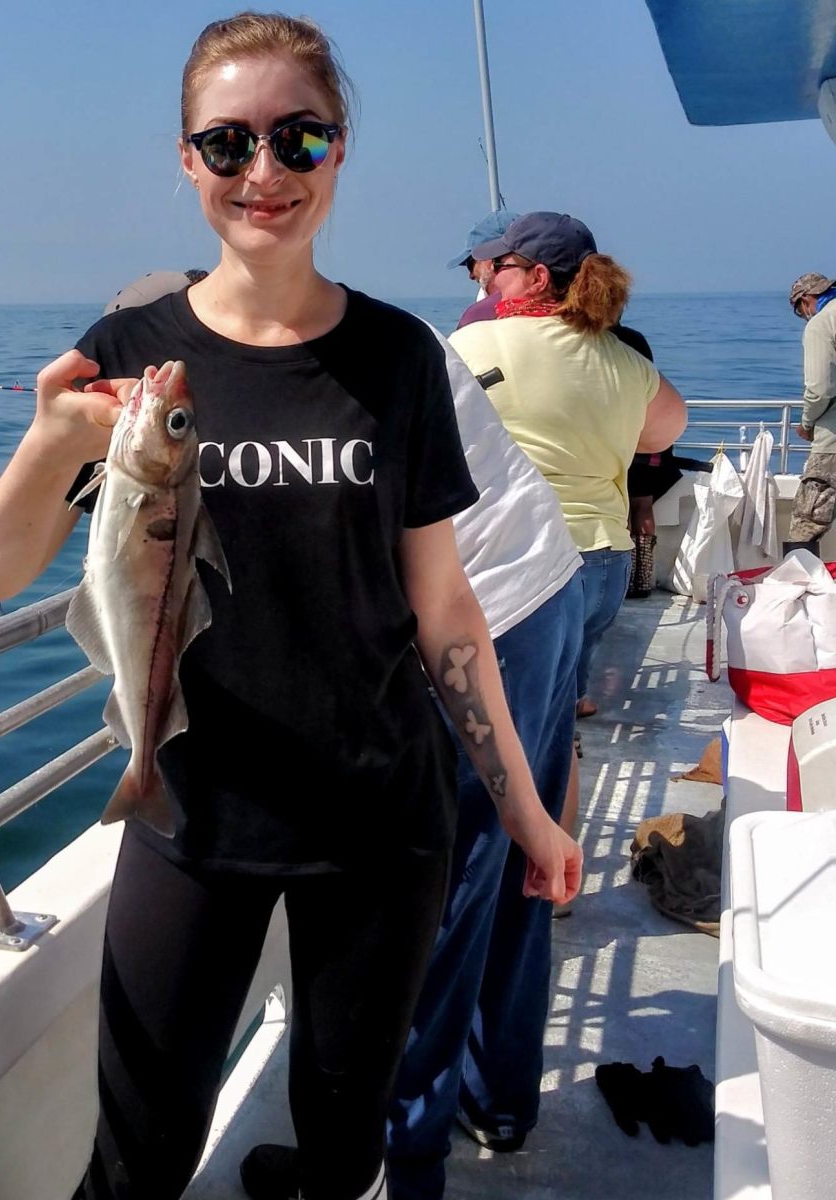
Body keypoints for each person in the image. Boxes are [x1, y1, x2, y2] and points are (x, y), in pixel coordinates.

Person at [0, 15, 581, 1200]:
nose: (266, 173)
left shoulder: (401, 356)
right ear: (186, 160)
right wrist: (50, 438)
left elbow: (446, 610)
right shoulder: (133, 353)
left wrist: (526, 813)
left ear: (339, 153)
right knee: (138, 1157)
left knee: (345, 1151)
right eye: (229, 142)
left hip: (381, 825)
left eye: (299, 139)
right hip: (191, 812)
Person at [385, 330, 584, 1200]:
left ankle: (401, 1160)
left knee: (439, 907)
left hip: (482, 624)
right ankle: (501, 1103)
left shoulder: (346, 362)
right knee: (513, 878)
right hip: (545, 585)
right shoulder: (401, 332)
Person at [449, 212, 687, 722]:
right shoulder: (627, 360)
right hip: (604, 568)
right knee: (559, 712)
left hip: (522, 561)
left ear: (536, 277)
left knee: (509, 728)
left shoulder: (473, 344)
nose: (490, 275)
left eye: (503, 265)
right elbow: (666, 430)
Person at [784, 271, 836, 556]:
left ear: (806, 300)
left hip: (833, 440)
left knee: (808, 518)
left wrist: (806, 424)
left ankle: (799, 592)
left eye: (799, 311)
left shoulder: (822, 322)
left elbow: (820, 388)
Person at [444, 209, 517, 330]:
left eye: (470, 263)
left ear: (491, 258)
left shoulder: (478, 316)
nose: (471, 275)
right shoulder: (557, 302)